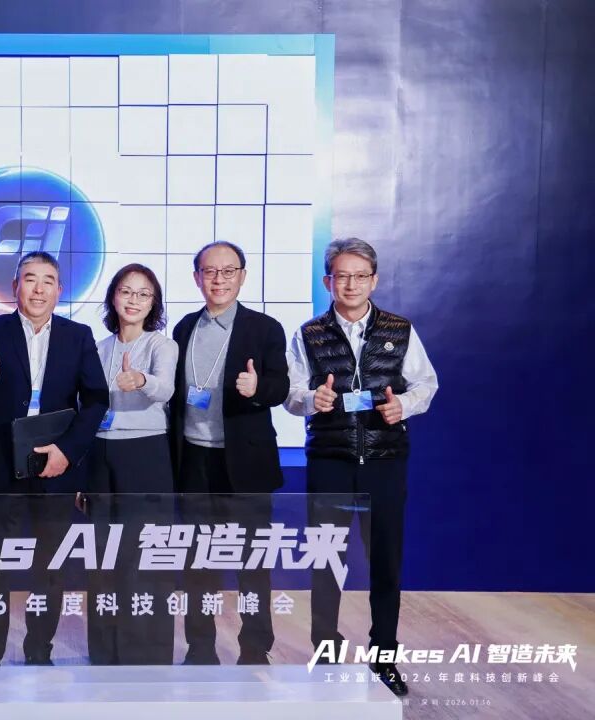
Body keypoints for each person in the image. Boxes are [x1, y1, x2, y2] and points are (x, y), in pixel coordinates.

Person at [284, 237, 438, 697]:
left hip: (384, 459)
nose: (350, 284)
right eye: (341, 276)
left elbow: (426, 383)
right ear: (327, 281)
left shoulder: (399, 329)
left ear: (374, 280)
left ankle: (384, 655)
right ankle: (325, 650)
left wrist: (403, 406)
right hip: (330, 460)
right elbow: (291, 393)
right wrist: (311, 399)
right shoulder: (308, 333)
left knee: (385, 562)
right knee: (326, 562)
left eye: (359, 276)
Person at [0, 250, 108, 666]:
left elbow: (96, 399)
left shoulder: (78, 335)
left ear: (60, 290)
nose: (38, 289)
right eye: (30, 279)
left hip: (54, 463)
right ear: (15, 287)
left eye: (47, 281)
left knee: (50, 567)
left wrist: (68, 452)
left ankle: (39, 650)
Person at [169, 241, 289, 666]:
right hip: (194, 461)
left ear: (242, 276)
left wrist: (258, 390)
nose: (218, 279)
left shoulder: (265, 328)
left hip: (245, 464)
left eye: (228, 271)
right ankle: (200, 647)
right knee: (197, 563)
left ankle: (255, 648)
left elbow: (281, 386)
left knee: (252, 563)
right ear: (196, 277)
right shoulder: (184, 328)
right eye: (209, 271)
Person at [85, 263, 178, 665]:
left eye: (143, 294)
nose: (134, 300)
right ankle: (104, 651)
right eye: (126, 291)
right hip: (100, 454)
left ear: (153, 303)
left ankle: (148, 653)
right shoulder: (98, 348)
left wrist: (141, 381)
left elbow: (166, 388)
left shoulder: (161, 345)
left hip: (145, 453)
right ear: (113, 297)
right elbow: (87, 408)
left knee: (146, 557)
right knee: (103, 557)